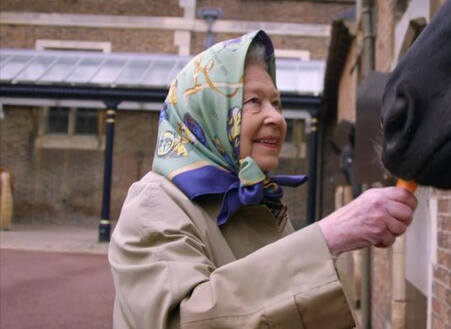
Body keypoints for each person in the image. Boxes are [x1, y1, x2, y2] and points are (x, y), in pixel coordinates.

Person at [108, 30, 417, 328]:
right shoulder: (155, 204)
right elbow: (182, 321)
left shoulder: (256, 200)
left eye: (277, 103)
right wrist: (329, 237)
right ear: (207, 112)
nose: (277, 118)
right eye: (253, 101)